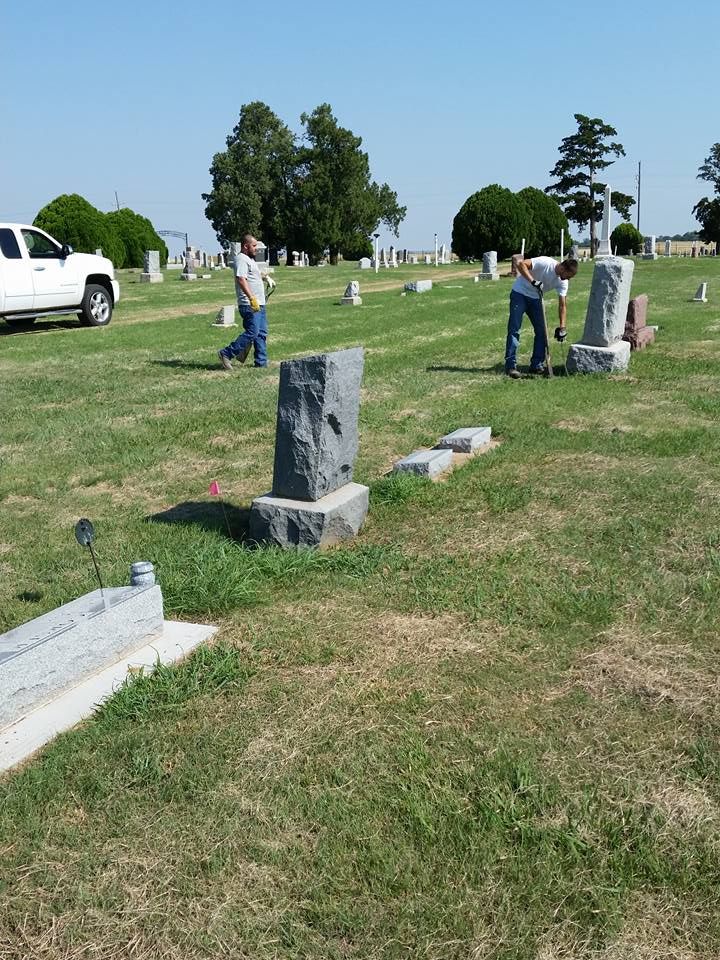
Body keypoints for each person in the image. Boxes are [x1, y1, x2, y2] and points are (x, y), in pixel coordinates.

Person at [505, 256, 578, 378]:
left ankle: (536, 365)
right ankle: (510, 366)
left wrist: (562, 327)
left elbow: (562, 305)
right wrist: (533, 281)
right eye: (568, 275)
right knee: (514, 329)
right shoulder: (545, 263)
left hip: (535, 299)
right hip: (519, 293)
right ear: (563, 268)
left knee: (542, 331)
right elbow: (521, 264)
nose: (568, 279)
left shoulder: (563, 282)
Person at [218, 234, 271, 369]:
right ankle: (226, 353)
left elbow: (252, 276)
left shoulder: (249, 259)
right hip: (249, 304)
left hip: (259, 303)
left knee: (261, 333)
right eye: (254, 246)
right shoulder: (241, 259)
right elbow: (241, 279)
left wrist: (265, 278)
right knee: (253, 332)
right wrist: (251, 298)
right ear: (246, 246)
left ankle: (261, 362)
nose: (256, 248)